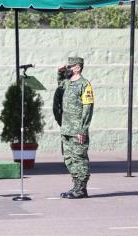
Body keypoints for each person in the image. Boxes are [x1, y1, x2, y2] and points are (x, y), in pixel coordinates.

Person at [57, 57, 94, 199]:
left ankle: (82, 188)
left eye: (70, 67)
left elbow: (88, 108)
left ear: (78, 67)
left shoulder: (85, 85)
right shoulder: (68, 83)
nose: (68, 69)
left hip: (78, 129)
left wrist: (83, 129)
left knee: (79, 158)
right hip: (66, 128)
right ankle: (76, 185)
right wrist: (59, 73)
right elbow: (60, 85)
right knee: (69, 158)